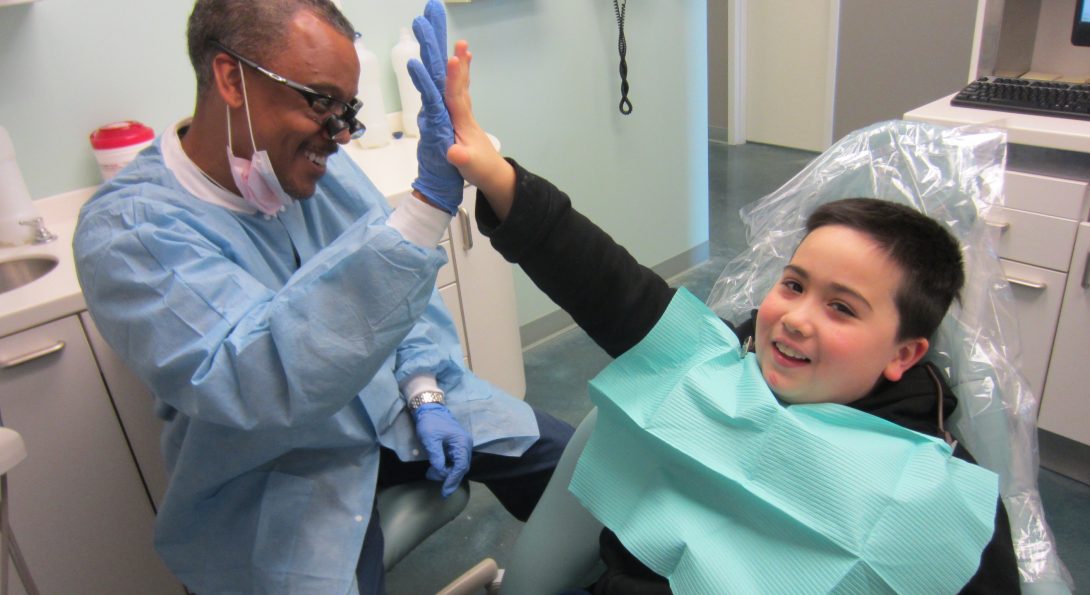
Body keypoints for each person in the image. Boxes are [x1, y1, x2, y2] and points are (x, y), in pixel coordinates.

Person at [425, 39, 1022, 593]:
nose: (795, 319)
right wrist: (496, 174)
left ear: (903, 353)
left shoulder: (932, 500)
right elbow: (612, 286)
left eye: (841, 307)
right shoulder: (721, 364)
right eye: (793, 285)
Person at [72, 1, 573, 593]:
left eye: (348, 108)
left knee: (584, 476)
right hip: (277, 463)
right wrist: (423, 211)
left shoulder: (315, 170)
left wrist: (426, 392)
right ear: (231, 79)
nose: (340, 133)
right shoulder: (132, 231)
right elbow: (252, 378)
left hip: (393, 406)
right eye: (319, 102)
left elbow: (398, 305)